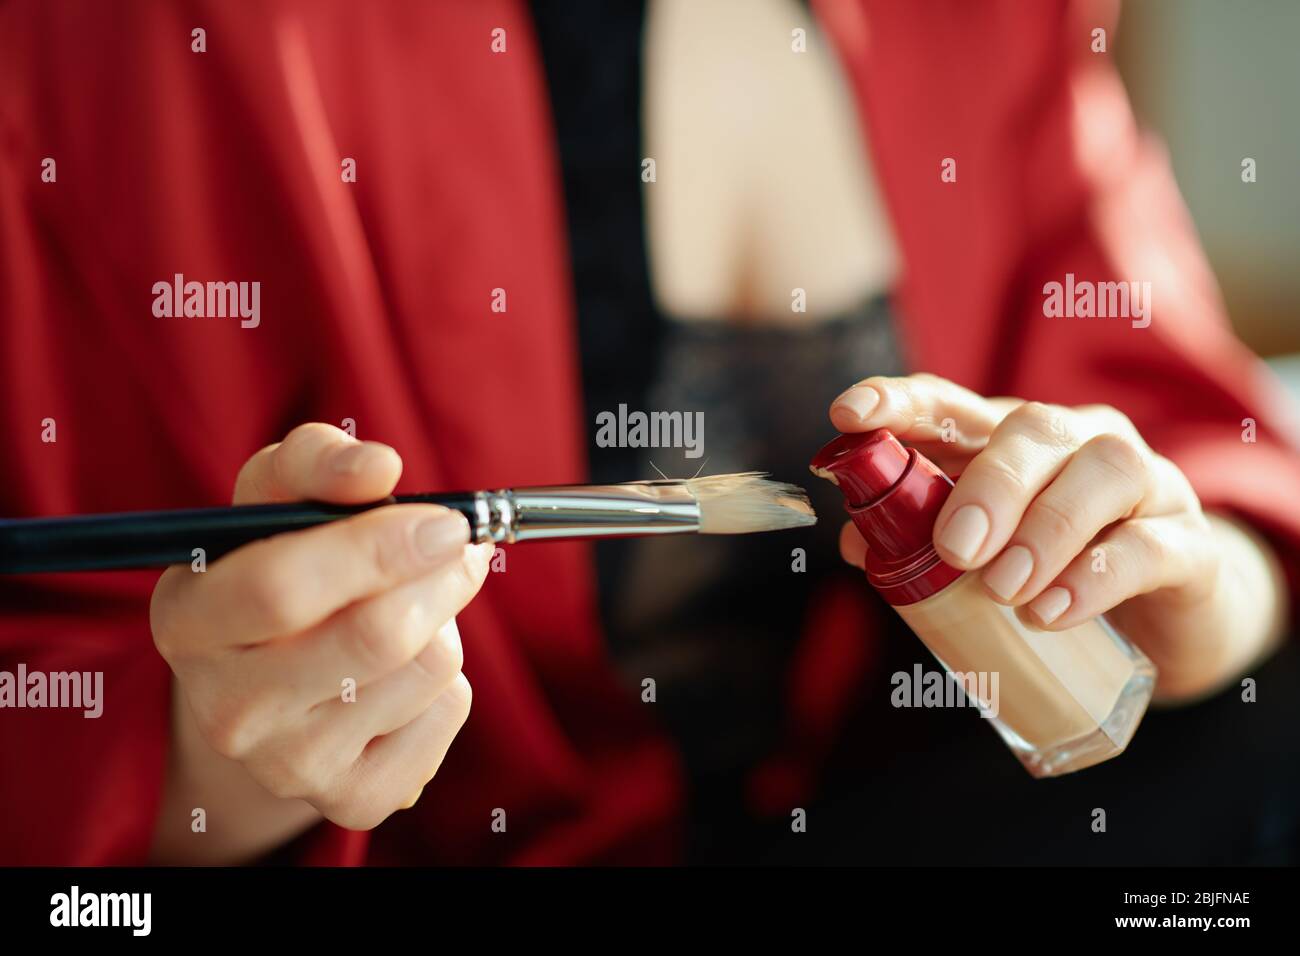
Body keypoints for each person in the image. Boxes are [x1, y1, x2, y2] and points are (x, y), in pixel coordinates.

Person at [1, 0, 1296, 866]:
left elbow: (1213, 454)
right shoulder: (141, 49)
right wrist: (213, 760)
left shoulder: (990, 22)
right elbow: (56, 709)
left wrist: (1193, 598)